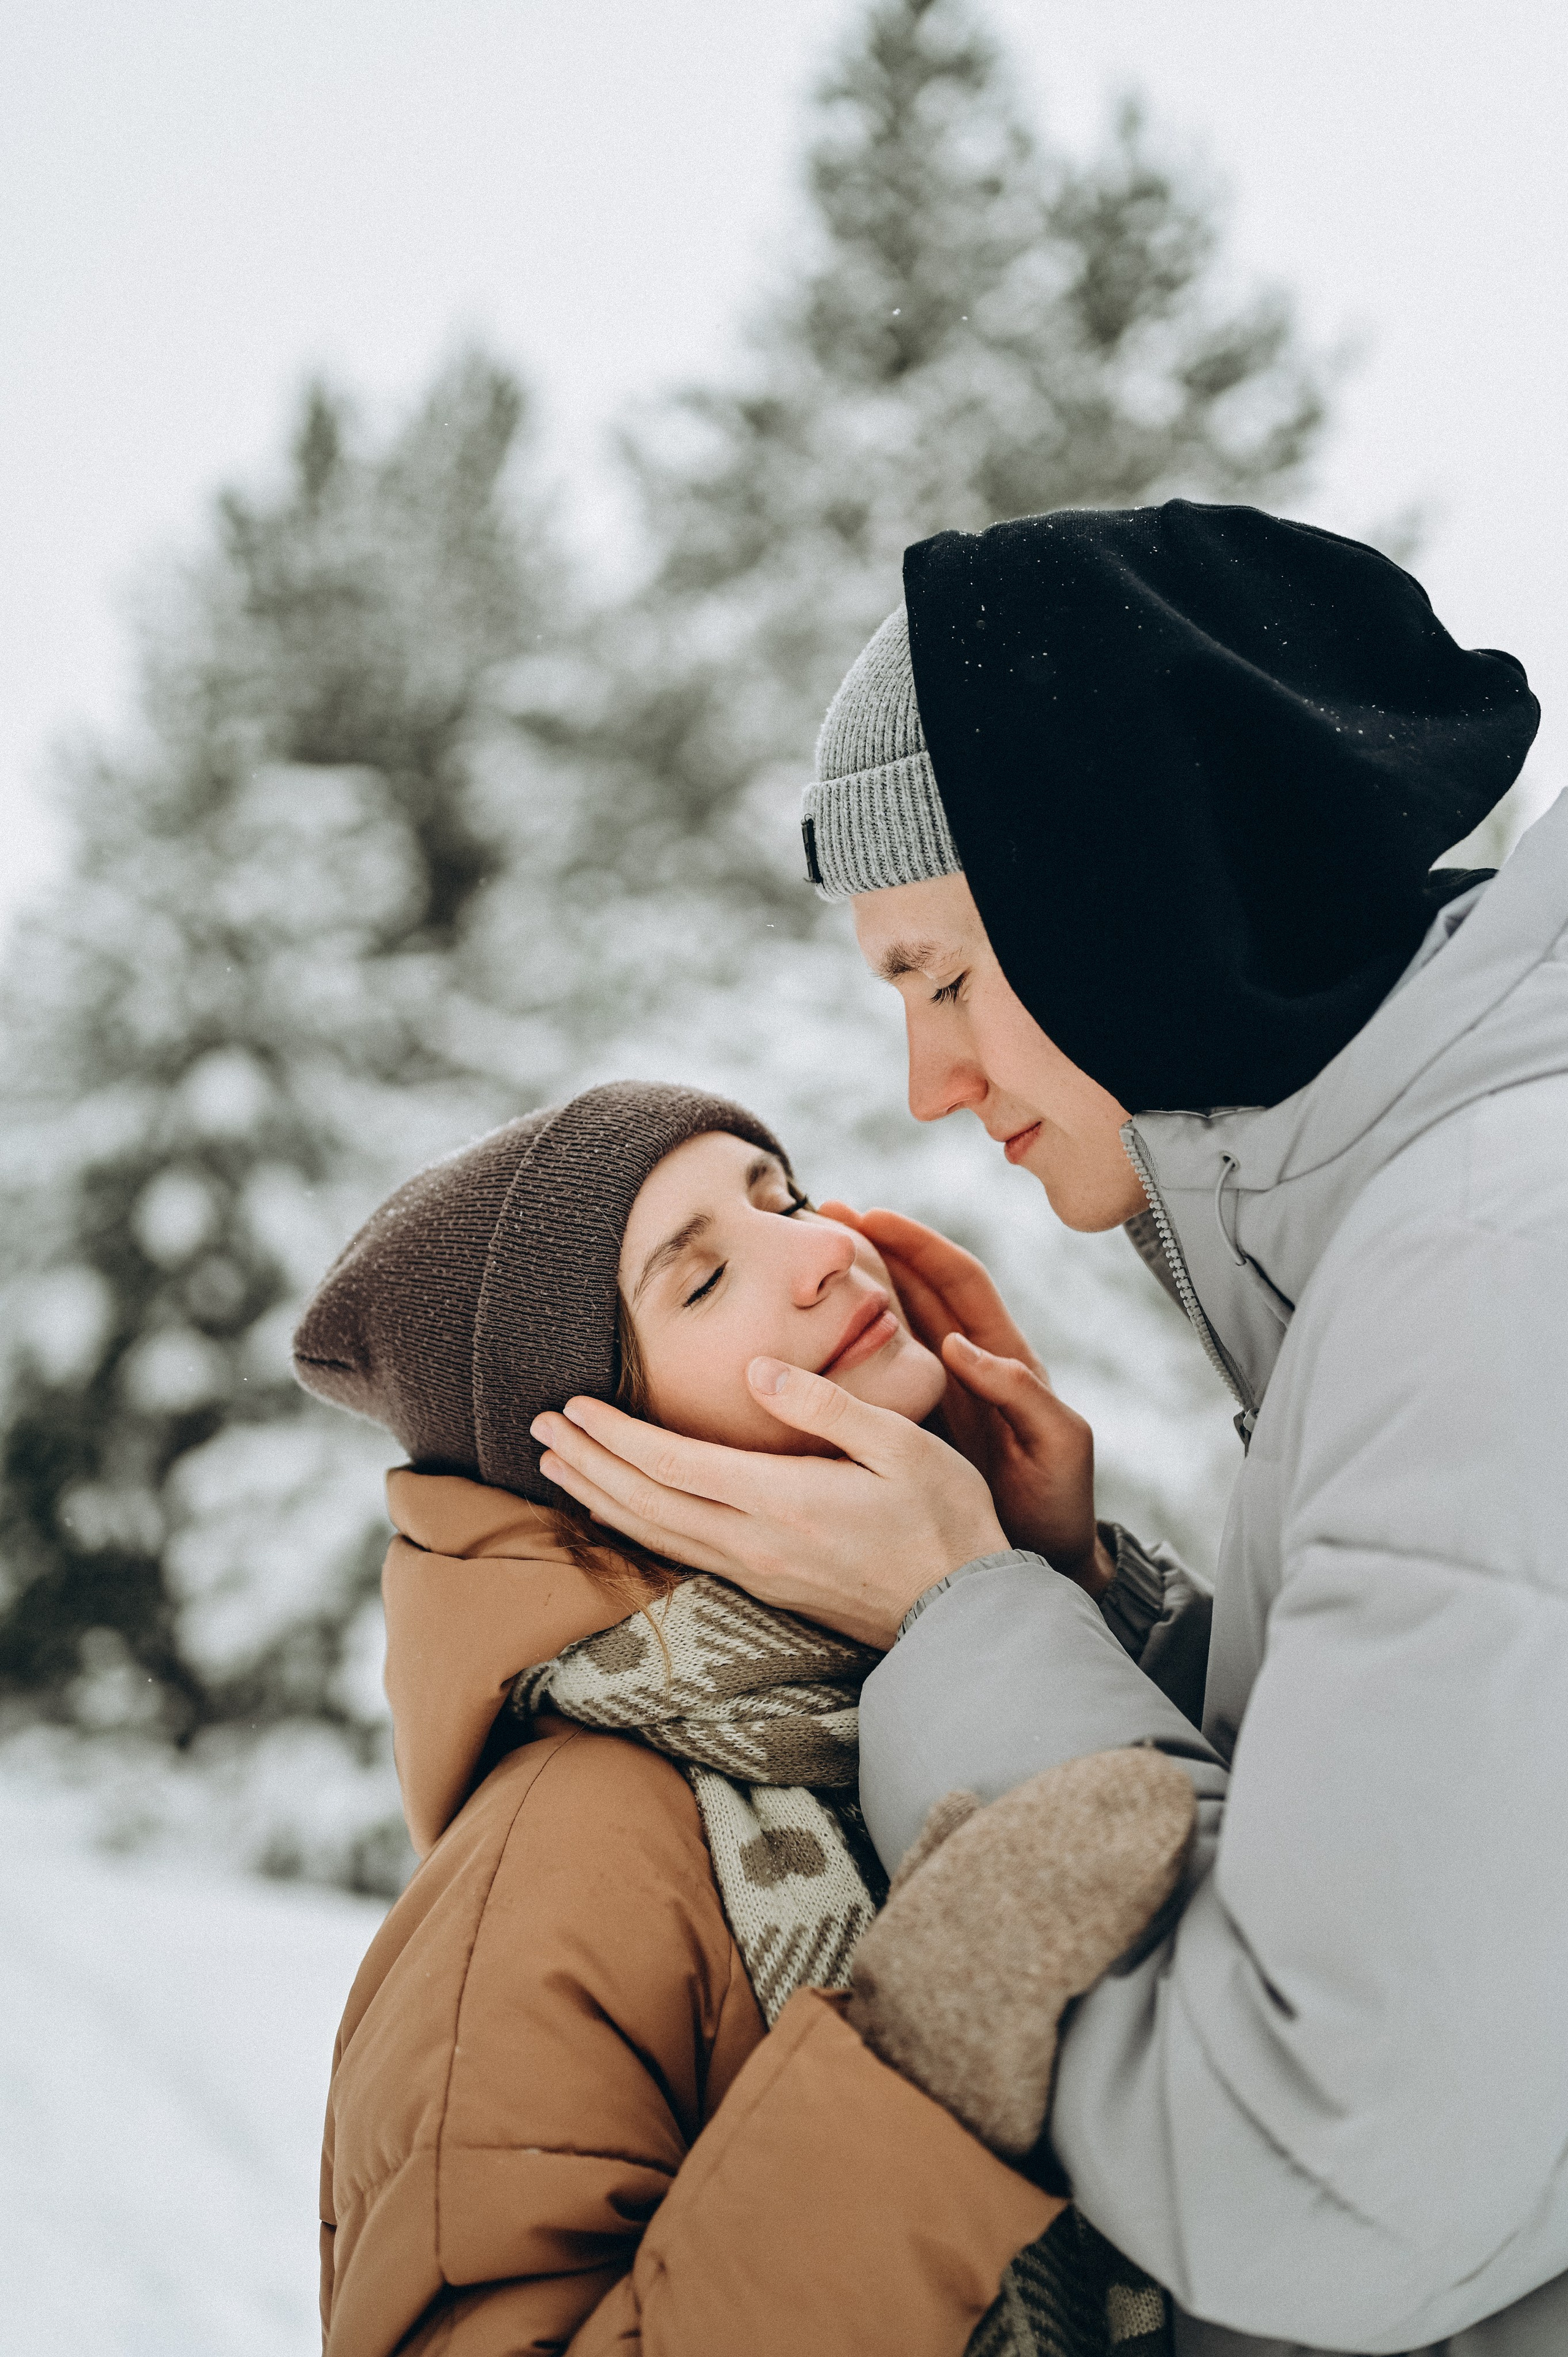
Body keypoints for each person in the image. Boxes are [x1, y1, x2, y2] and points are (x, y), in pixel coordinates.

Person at [530, 503, 1568, 2356]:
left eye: (940, 977)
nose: (926, 1089)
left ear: (1123, 896)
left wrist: (968, 1620)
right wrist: (1082, 1601)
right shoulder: (1449, 1237)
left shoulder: (1485, 1272)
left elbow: (1313, 2179)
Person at [293, 1079, 1189, 2357]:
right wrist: (916, 2068)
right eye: (700, 1280)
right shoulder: (561, 1850)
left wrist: (1061, 1594)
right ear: (599, 1457)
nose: (826, 1252)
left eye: (787, 1198)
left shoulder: (913, 1680)